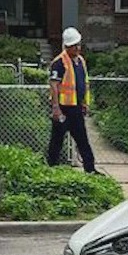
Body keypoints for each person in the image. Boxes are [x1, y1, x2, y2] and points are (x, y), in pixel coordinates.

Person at [46, 27, 98, 174]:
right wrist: (56, 108)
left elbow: (85, 83)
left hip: (76, 108)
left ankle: (90, 169)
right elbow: (54, 86)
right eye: (74, 46)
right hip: (63, 108)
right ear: (67, 46)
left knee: (83, 140)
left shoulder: (80, 61)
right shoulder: (59, 62)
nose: (77, 48)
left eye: (78, 45)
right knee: (57, 140)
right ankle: (51, 168)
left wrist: (85, 103)